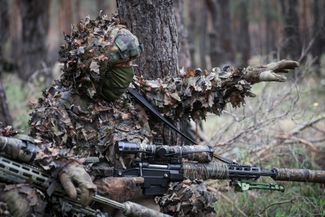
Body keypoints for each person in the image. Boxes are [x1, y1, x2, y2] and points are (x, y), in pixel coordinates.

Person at [0, 14, 299, 217]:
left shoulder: (132, 93)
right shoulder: (57, 109)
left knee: (195, 196)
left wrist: (246, 76)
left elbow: (185, 91)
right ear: (96, 69)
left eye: (132, 63)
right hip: (92, 200)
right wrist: (70, 168)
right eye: (120, 66)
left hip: (145, 187)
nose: (129, 72)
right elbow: (38, 155)